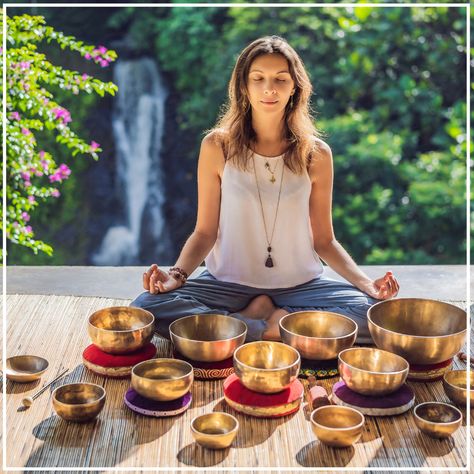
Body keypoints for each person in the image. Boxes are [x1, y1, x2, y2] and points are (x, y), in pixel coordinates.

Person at [131, 35, 399, 343]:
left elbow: (324, 241)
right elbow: (205, 232)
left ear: (295, 86)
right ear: (243, 86)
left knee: (381, 318)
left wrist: (367, 286)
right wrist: (175, 276)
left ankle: (259, 323)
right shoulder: (217, 146)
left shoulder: (317, 154)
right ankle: (275, 328)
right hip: (227, 284)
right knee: (148, 307)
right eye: (258, 79)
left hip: (301, 286)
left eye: (280, 80)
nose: (269, 89)